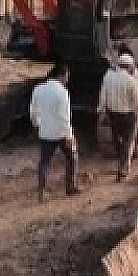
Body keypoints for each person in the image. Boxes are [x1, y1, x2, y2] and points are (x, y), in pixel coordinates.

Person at [30, 62, 80, 201]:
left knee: (44, 162)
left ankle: (42, 191)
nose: (67, 80)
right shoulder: (62, 92)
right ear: (61, 76)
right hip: (61, 133)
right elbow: (65, 116)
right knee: (72, 158)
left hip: (45, 132)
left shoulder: (38, 89)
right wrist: (70, 136)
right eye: (66, 77)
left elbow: (33, 112)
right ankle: (70, 187)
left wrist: (38, 126)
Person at [98, 52, 138, 181]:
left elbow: (103, 96)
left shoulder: (108, 77)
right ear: (129, 66)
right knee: (128, 142)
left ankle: (122, 164)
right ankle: (123, 171)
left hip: (113, 115)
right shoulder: (131, 81)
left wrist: (102, 112)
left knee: (118, 140)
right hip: (129, 116)